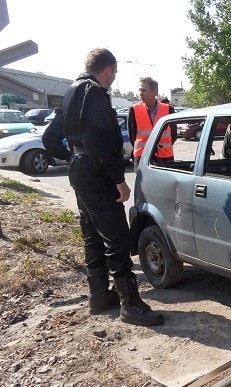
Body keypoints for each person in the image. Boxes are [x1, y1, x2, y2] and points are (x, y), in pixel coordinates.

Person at [42, 48, 163, 326]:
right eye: (115, 73)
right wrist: (118, 179)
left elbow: (50, 137)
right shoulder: (94, 94)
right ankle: (130, 305)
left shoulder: (72, 91)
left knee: (92, 234)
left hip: (81, 172)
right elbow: (100, 141)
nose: (114, 78)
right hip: (96, 174)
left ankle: (99, 295)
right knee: (117, 237)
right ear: (107, 70)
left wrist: (73, 158)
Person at [128, 77, 176, 171]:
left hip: (165, 158)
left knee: (165, 185)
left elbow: (174, 135)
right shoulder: (134, 110)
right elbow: (132, 136)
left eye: (144, 90)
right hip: (142, 157)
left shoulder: (168, 110)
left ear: (154, 92)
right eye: (140, 90)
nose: (140, 94)